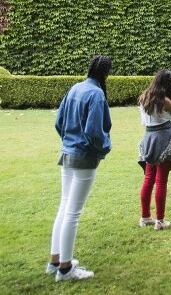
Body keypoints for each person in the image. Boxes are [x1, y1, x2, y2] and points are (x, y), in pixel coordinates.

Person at [48, 55, 113, 282]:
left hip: (67, 152)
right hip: (84, 156)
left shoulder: (76, 87)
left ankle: (55, 260)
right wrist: (105, 147)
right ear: (105, 73)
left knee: (64, 206)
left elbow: (59, 121)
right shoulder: (96, 94)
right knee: (73, 212)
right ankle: (65, 269)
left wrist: (68, 141)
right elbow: (95, 131)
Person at [137, 69, 171, 231]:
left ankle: (145, 217)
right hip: (164, 139)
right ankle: (159, 221)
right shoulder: (164, 99)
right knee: (161, 181)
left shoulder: (144, 97)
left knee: (149, 178)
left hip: (148, 138)